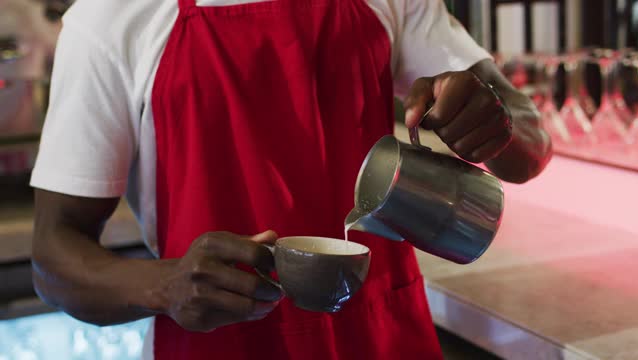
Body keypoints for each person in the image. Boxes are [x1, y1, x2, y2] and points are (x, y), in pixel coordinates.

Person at [30, 0, 552, 359]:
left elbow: (531, 143)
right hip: (221, 348)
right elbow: (54, 257)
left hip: (385, 340)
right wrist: (162, 285)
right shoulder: (111, 17)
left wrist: (493, 121)